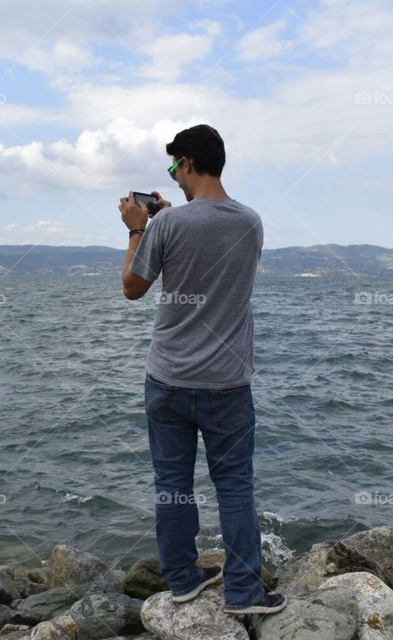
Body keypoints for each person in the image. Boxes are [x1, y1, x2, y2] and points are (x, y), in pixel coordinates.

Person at [117, 124, 286, 615]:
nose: (172, 176)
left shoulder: (166, 226)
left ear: (187, 163)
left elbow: (132, 287)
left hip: (167, 378)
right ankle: (243, 593)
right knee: (234, 487)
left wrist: (137, 228)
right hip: (226, 385)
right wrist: (171, 219)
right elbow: (209, 247)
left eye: (174, 167)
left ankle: (184, 581)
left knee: (171, 485)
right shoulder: (251, 223)